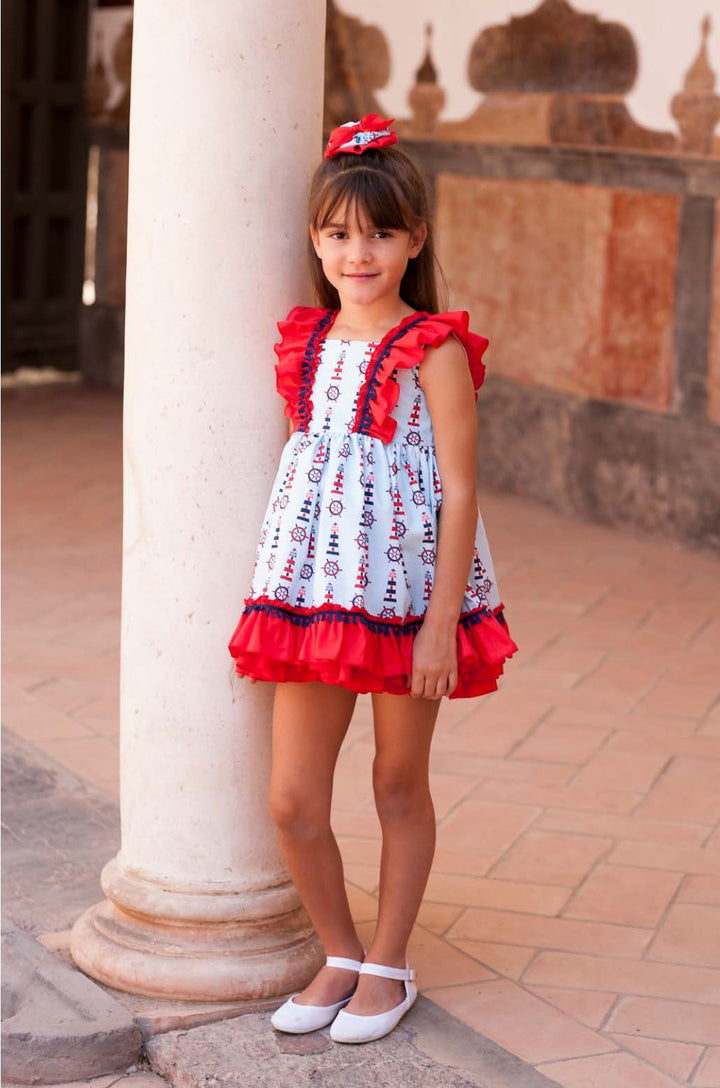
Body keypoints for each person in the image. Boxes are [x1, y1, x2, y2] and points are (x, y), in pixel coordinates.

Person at [228, 115, 517, 1044]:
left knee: (398, 783)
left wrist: (440, 624)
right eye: (340, 233)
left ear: (415, 240)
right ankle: (341, 951)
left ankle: (390, 966)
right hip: (314, 593)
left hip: (403, 599)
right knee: (291, 800)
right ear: (316, 239)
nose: (360, 252)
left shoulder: (433, 348)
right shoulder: (304, 342)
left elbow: (461, 489)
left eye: (381, 233)